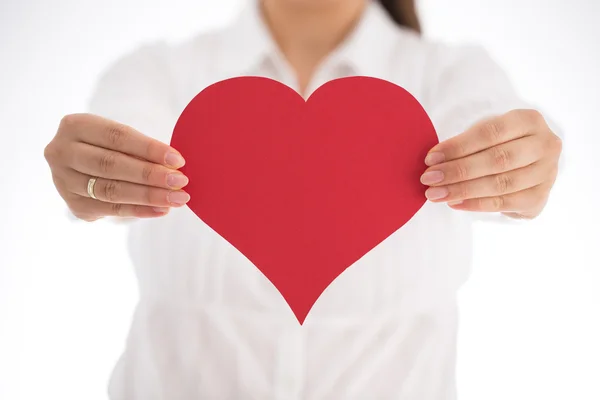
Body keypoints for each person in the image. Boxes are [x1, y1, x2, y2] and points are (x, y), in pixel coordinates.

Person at [43, 0, 563, 398]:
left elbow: (495, 122)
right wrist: (91, 174)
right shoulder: (160, 73)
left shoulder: (450, 75)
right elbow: (123, 134)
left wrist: (522, 166)